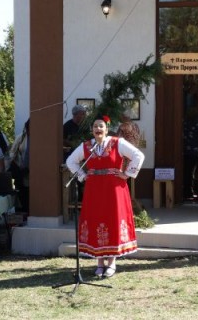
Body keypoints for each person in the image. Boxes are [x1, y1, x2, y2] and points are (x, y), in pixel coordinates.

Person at [66, 115, 144, 278]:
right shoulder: (87, 146)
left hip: (114, 189)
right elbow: (71, 161)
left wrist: (127, 174)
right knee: (96, 220)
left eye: (101, 126)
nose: (98, 129)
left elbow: (138, 155)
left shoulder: (117, 143)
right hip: (94, 190)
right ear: (92, 130)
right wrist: (82, 176)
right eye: (95, 126)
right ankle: (99, 262)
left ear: (107, 129)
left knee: (112, 220)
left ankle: (112, 262)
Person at [183, 107, 198, 199]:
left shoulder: (184, 122)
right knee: (192, 171)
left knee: (186, 171)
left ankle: (186, 191)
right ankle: (189, 191)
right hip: (195, 151)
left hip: (184, 151)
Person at [9, 119, 30, 213]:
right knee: (21, 193)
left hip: (33, 171)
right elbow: (12, 152)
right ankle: (21, 213)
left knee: (30, 192)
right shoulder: (21, 137)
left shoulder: (40, 138)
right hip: (20, 169)